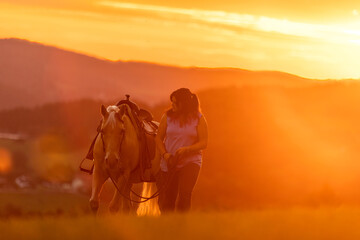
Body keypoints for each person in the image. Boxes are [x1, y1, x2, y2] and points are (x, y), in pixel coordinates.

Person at [155, 88, 208, 212]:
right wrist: (165, 154)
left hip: (191, 162)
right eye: (172, 102)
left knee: (184, 194)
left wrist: (187, 149)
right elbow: (158, 138)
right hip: (169, 162)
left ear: (184, 104)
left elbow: (204, 142)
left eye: (175, 103)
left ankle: (182, 223)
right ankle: (168, 226)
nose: (172, 105)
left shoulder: (199, 119)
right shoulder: (167, 117)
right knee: (168, 198)